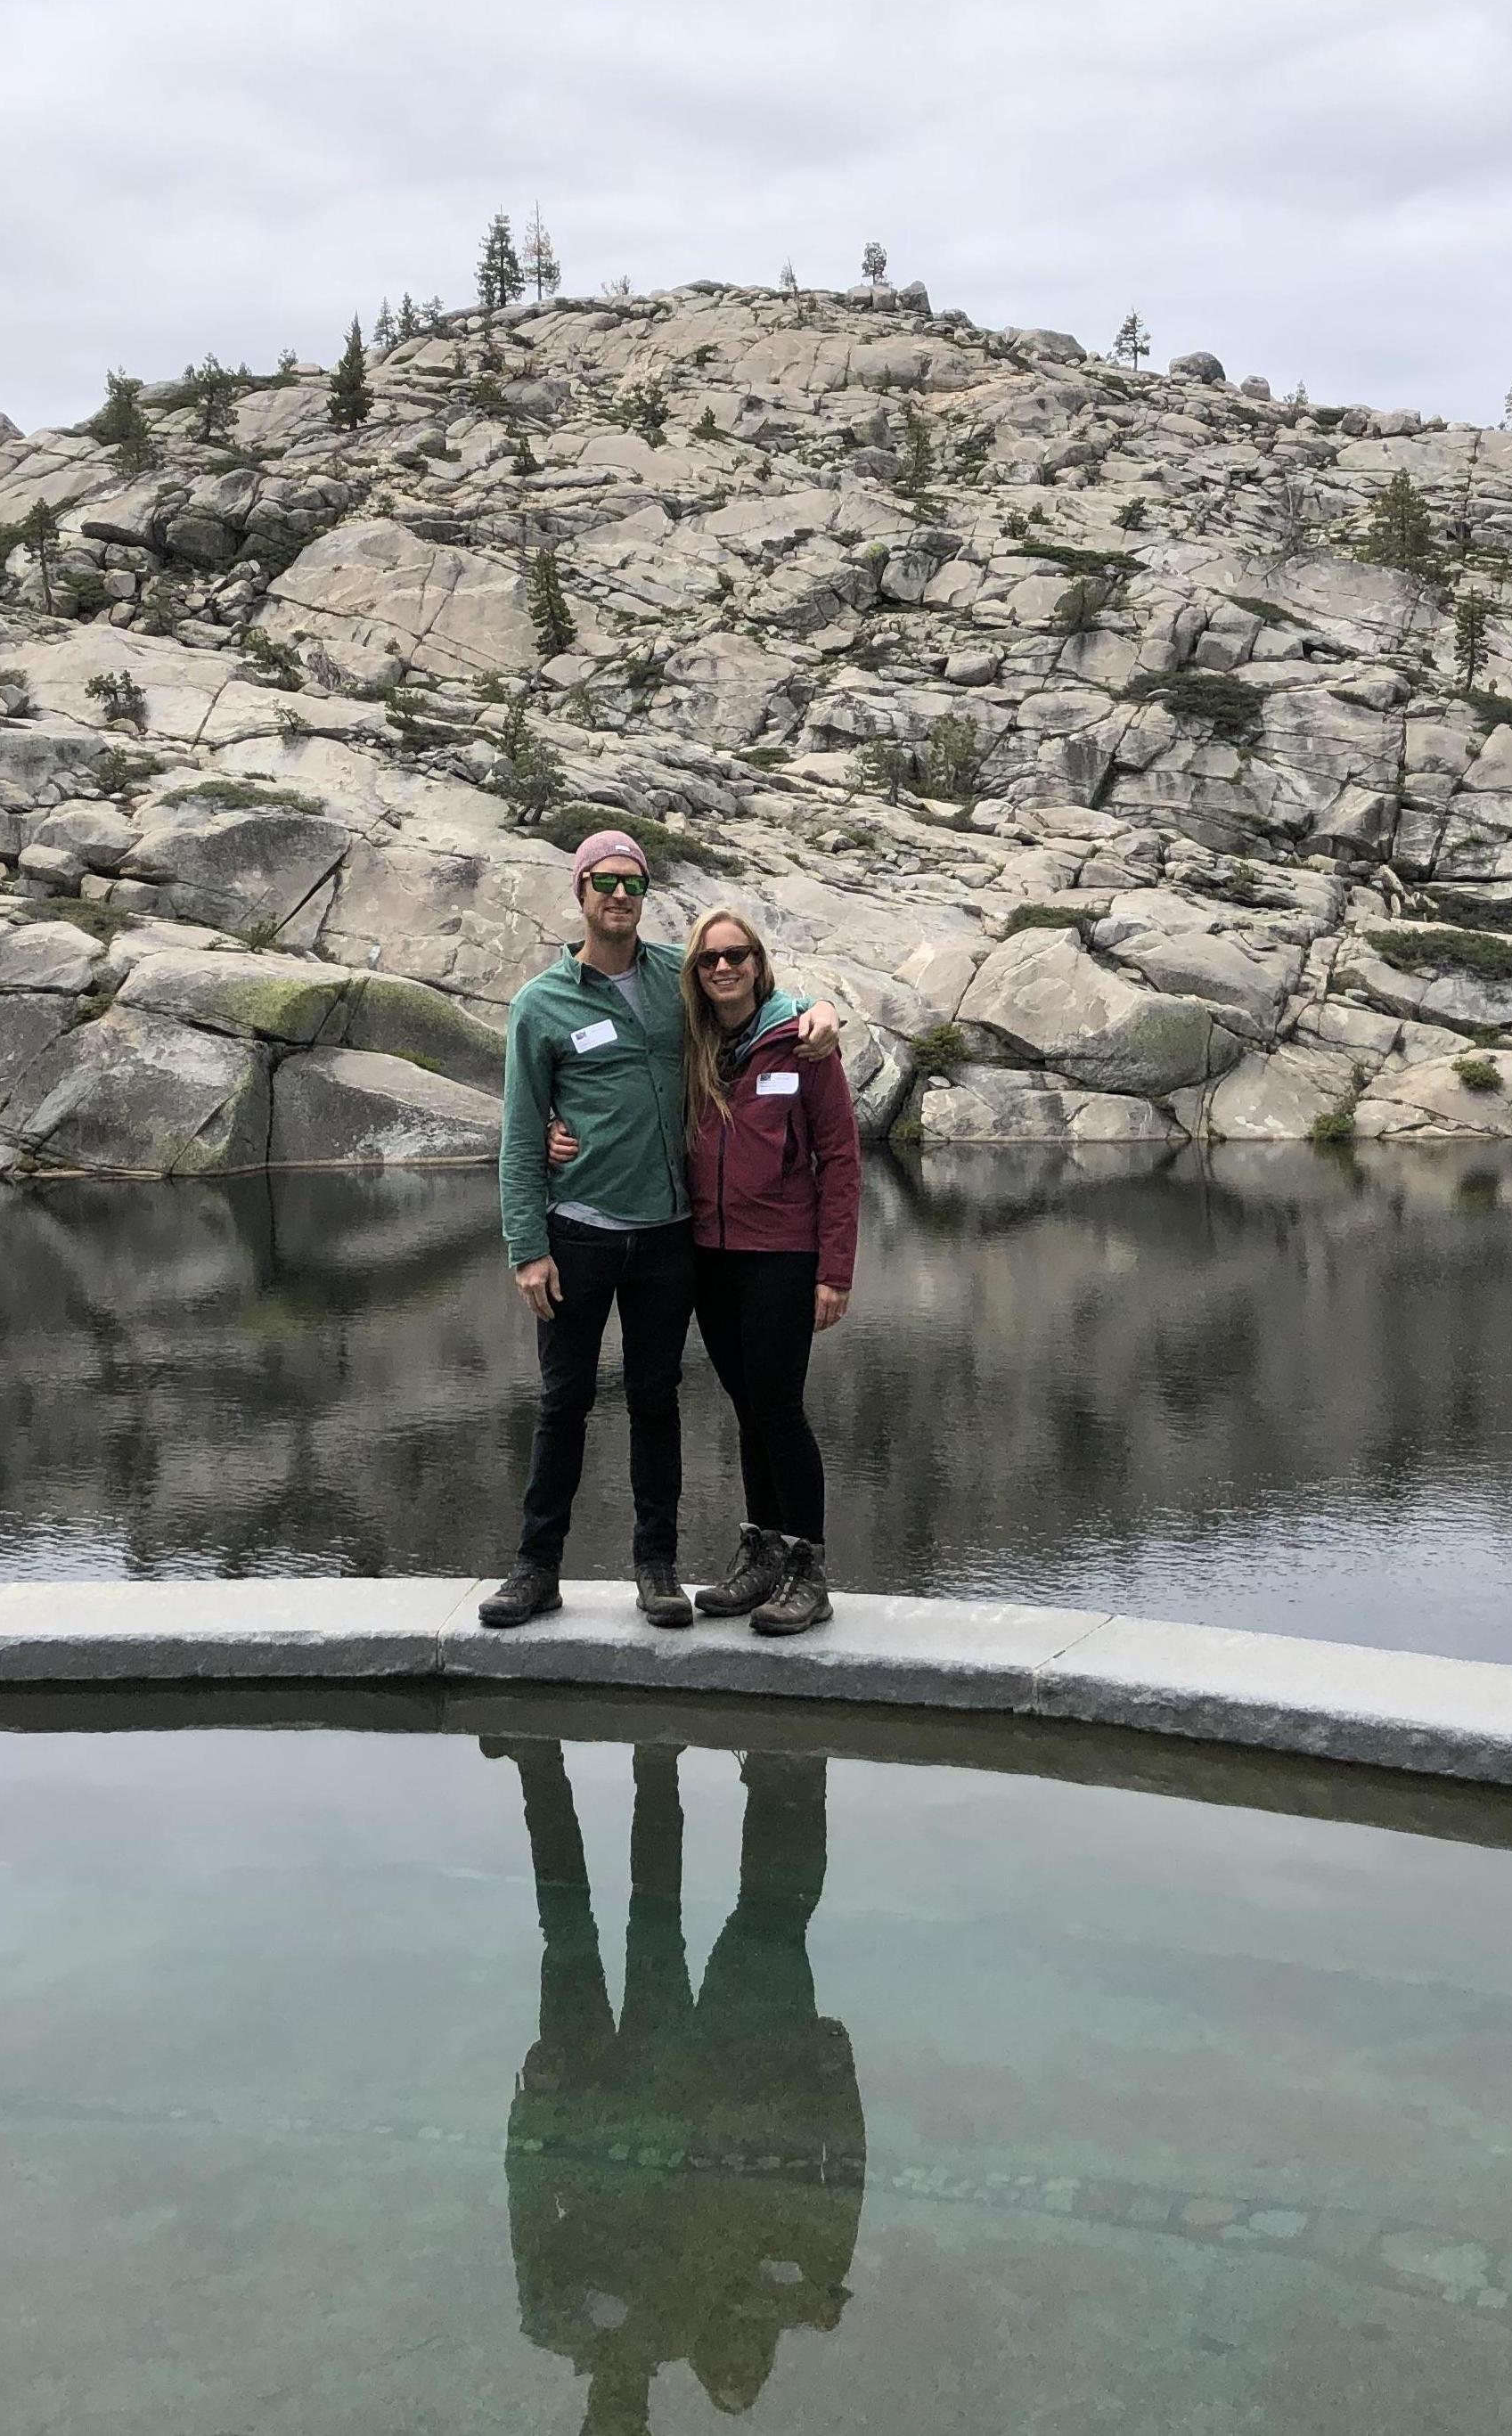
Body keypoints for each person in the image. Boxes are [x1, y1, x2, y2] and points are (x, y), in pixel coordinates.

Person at [485, 831, 838, 1632]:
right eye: (604, 881)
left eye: (633, 883)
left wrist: (817, 1008)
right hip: (576, 1233)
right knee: (562, 1403)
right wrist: (526, 1248)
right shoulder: (540, 1003)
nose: (619, 895)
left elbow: (752, 987)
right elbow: (520, 1131)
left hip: (670, 1238)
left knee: (655, 1402)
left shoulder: (678, 977)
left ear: (645, 895)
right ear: (579, 891)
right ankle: (536, 1568)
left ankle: (657, 1569)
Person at [490, 1735, 861, 2433]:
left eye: (602, 2430)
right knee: (654, 1925)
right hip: (665, 2090)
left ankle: (544, 1763)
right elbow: (711, 2220)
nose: (618, 2415)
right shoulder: (678, 2326)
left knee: (569, 1930)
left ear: (585, 2424)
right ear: (646, 2424)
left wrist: (534, 2108)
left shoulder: (550, 2324)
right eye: (630, 2430)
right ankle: (655, 1763)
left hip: (579, 2101)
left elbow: (528, 2206)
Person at [675, 904, 859, 1637]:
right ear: (695, 972)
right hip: (709, 1256)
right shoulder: (691, 1043)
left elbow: (840, 1159)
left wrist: (834, 1270)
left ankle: (807, 1569)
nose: (723, 967)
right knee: (747, 1406)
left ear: (758, 963)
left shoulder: (802, 1043)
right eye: (709, 958)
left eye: (736, 955)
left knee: (778, 1406)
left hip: (783, 1254)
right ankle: (763, 1552)